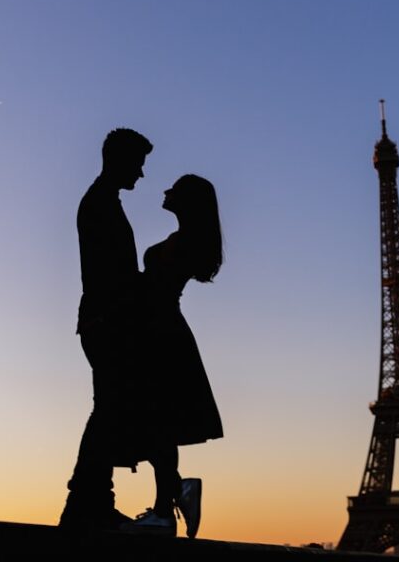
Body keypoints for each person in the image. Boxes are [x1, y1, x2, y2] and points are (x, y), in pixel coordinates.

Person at [59, 128, 153, 532]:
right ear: (120, 160)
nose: (143, 174)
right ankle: (88, 500)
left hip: (104, 317)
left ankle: (89, 499)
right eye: (139, 165)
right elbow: (106, 273)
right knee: (107, 409)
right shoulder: (99, 204)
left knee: (107, 408)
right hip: (106, 319)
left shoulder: (101, 201)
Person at [121, 174, 224, 538]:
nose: (166, 191)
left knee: (157, 423)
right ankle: (173, 494)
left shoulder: (185, 243)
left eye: (175, 189)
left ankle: (166, 508)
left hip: (160, 334)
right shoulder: (184, 241)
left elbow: (156, 287)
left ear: (188, 201)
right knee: (155, 423)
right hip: (160, 332)